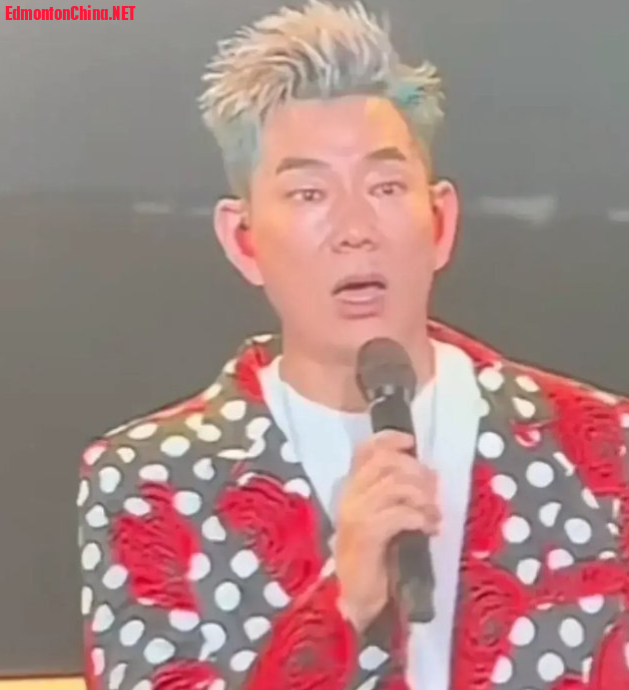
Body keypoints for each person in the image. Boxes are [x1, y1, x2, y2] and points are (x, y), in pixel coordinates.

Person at [78, 2, 629, 689]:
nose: (354, 228)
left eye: (385, 186)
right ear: (243, 240)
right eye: (309, 194)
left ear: (441, 221)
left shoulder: (602, 451)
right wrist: (342, 602)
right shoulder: (149, 483)